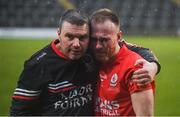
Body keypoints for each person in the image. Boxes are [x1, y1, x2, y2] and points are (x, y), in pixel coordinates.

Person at [10, 9, 160, 116]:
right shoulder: (38, 65)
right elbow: (19, 112)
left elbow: (129, 48)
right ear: (58, 34)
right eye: (69, 36)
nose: (76, 44)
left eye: (82, 37)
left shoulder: (92, 50)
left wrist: (153, 66)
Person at [90, 8, 156, 116]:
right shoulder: (92, 58)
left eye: (104, 40)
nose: (97, 46)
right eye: (93, 39)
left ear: (118, 37)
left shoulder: (135, 69)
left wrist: (153, 65)